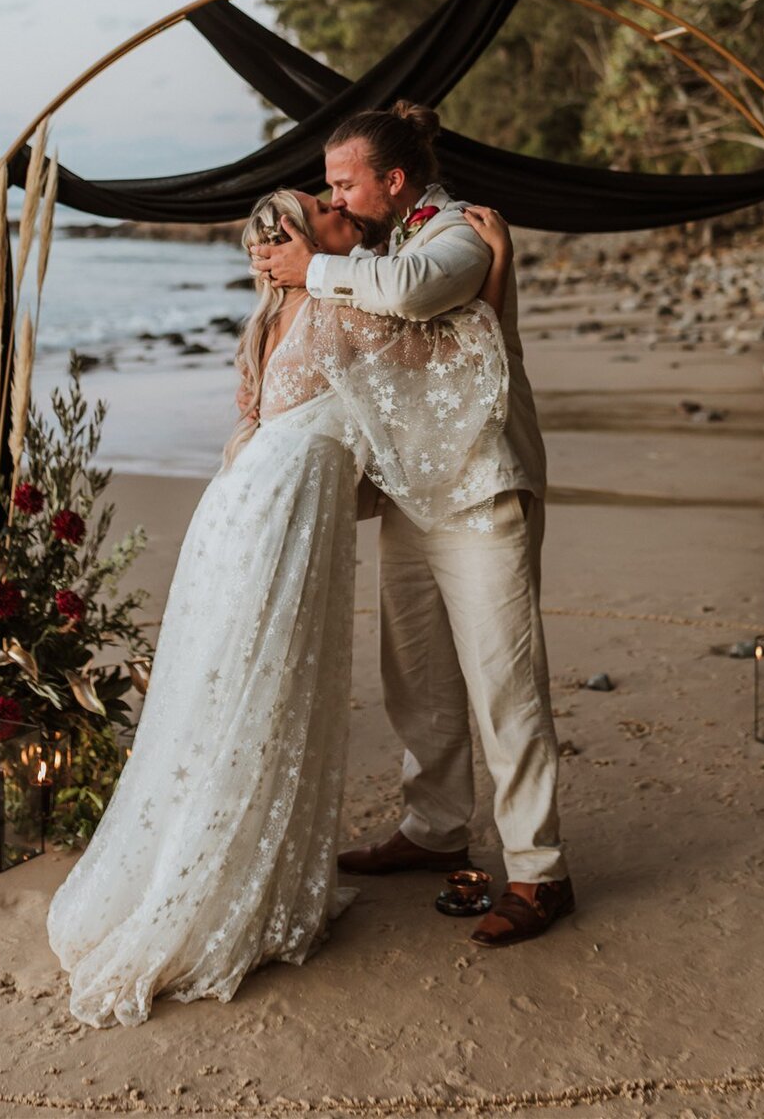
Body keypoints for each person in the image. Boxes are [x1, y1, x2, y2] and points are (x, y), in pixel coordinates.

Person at [46, 186, 518, 1026]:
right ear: (306, 238)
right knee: (263, 692)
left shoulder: (274, 318)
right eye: (325, 208)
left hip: (237, 516)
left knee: (225, 694)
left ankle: (207, 871)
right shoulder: (339, 310)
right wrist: (500, 273)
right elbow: (462, 358)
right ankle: (226, 892)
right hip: (277, 528)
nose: (347, 212)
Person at [251, 100, 572, 949]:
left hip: (482, 493)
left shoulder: (460, 233)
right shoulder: (374, 247)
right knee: (415, 671)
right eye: (328, 187)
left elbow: (412, 294)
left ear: (394, 181)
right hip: (411, 492)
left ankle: (540, 871)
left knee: (505, 680)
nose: (336, 197)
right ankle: (434, 829)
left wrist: (311, 268)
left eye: (344, 182)